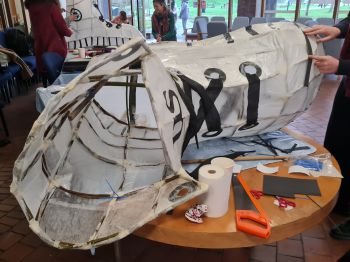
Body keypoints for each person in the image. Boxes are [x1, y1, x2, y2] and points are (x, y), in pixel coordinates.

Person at [304, 13, 350, 260]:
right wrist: (339, 29)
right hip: (347, 87)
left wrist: (341, 66)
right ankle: (340, 202)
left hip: (345, 73)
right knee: (336, 144)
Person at [24, 0, 72, 82]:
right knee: (63, 76)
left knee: (51, 78)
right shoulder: (51, 5)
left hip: (41, 48)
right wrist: (70, 31)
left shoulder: (32, 6)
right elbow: (63, 29)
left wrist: (57, 11)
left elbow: (43, 23)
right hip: (55, 48)